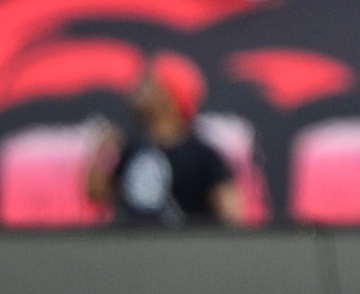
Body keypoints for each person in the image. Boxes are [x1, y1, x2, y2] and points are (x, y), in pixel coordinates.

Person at [86, 52, 243, 226]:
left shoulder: (202, 155)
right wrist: (101, 154)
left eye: (147, 83)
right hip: (137, 250)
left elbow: (231, 215)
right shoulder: (132, 149)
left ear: (169, 96)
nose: (136, 88)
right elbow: (97, 193)